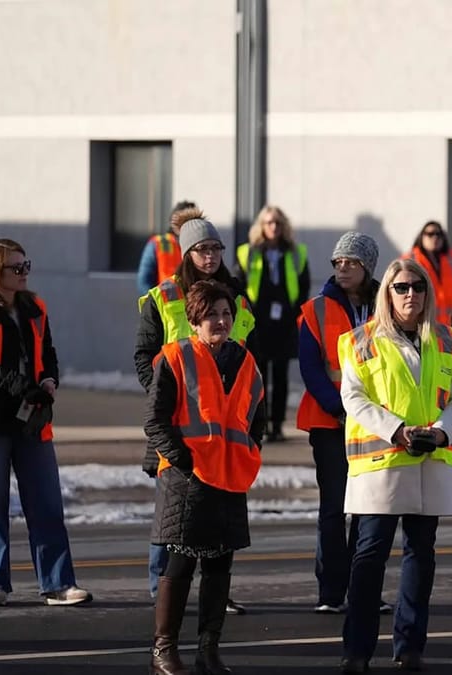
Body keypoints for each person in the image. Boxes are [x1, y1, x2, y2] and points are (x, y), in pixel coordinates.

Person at [336, 258, 452, 673]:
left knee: (420, 555)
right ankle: (356, 651)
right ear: (388, 294)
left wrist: (442, 432)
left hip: (429, 462)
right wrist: (396, 430)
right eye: (401, 287)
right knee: (369, 556)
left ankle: (410, 646)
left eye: (418, 286)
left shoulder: (446, 339)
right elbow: (353, 397)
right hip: (381, 463)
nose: (411, 293)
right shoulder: (361, 340)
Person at [135, 207, 255, 615]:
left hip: (224, 431)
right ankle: (164, 593)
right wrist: (166, 397)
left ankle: (215, 594)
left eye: (216, 248)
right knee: (173, 517)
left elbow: (247, 360)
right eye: (203, 249)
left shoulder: (237, 297)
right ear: (187, 253)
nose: (211, 256)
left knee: (218, 520)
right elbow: (144, 357)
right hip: (176, 425)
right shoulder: (164, 296)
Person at [144, 280, 266, 675]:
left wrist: (250, 452)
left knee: (219, 567)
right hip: (188, 479)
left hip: (230, 477)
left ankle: (208, 650)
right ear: (195, 320)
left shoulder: (245, 361)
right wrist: (183, 460)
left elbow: (257, 418)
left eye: (226, 313)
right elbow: (155, 420)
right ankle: (163, 650)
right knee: (180, 565)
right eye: (211, 314)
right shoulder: (175, 357)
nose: (221, 320)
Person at [0, 238, 92, 608]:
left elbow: (48, 352)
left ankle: (58, 584)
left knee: (47, 503)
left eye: (26, 266)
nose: (24, 273)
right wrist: (22, 386)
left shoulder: (35, 307)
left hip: (31, 418)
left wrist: (49, 380)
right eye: (16, 267)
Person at [296, 232, 389, 615]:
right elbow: (310, 367)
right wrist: (339, 407)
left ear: (368, 266)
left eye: (351, 262)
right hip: (331, 421)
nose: (343, 268)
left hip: (377, 423)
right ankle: (332, 593)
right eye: (338, 262)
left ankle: (363, 590)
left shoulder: (389, 306)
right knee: (334, 507)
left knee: (371, 509)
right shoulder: (315, 310)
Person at [233, 205, 310, 442]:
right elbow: (238, 284)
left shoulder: (296, 253)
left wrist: (295, 313)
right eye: (269, 222)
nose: (274, 227)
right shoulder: (247, 252)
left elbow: (304, 285)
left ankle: (277, 425)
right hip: (258, 321)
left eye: (277, 222)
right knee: (259, 375)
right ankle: (261, 423)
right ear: (262, 226)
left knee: (281, 375)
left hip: (285, 321)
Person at [402, 220, 452, 324]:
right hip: (423, 321)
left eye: (438, 234)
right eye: (430, 234)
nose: (435, 238)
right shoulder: (411, 260)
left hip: (449, 323)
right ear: (422, 237)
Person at [137, 200, 197, 296]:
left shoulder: (200, 245)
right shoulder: (159, 243)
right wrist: (153, 302)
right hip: (166, 303)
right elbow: (144, 281)